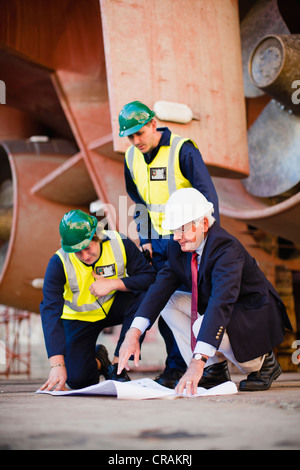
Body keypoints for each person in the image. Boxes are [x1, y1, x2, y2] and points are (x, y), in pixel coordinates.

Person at [117, 188, 293, 393]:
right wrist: (134, 332)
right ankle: (213, 371)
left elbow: (221, 303)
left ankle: (263, 363)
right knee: (170, 302)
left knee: (202, 324)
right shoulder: (179, 247)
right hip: (222, 309)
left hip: (253, 314)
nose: (176, 237)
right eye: (174, 230)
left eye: (181, 229)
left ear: (204, 224)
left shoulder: (227, 250)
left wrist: (196, 363)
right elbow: (159, 287)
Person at [119, 100, 220, 387]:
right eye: (130, 136)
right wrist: (147, 240)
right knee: (165, 304)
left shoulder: (182, 149)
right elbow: (139, 202)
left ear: (153, 123)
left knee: (198, 302)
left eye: (140, 133)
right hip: (160, 244)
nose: (136, 141)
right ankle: (176, 367)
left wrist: (207, 243)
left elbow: (208, 196)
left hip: (187, 240)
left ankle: (209, 366)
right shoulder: (131, 158)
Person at [39, 209, 156, 392]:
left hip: (113, 307)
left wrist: (114, 284)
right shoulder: (58, 262)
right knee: (79, 380)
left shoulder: (120, 243)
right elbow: (49, 311)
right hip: (79, 319)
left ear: (98, 236)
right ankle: (100, 360)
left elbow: (149, 278)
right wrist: (57, 366)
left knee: (144, 297)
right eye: (78, 252)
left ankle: (118, 368)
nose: (84, 256)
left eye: (87, 248)